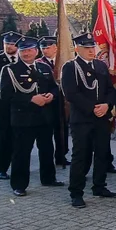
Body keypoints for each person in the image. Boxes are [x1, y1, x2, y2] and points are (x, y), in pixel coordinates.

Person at [0, 36, 64, 196]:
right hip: (23, 118)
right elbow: (6, 95)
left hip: (44, 117)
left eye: (29, 50)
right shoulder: (10, 70)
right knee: (21, 153)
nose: (26, 53)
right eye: (23, 51)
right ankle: (19, 184)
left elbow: (55, 87)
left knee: (47, 149)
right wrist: (30, 99)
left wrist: (52, 95)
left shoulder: (44, 67)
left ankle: (48, 178)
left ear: (36, 51)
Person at [63, 33, 116, 207]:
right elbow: (71, 93)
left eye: (92, 47)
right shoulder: (70, 67)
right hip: (82, 119)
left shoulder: (100, 66)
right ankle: (76, 192)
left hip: (101, 118)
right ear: (77, 48)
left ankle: (99, 185)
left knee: (102, 152)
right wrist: (92, 108)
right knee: (81, 155)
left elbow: (110, 90)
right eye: (86, 48)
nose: (91, 51)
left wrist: (107, 105)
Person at [0, 32, 21, 180]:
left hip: (21, 106)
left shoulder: (24, 58)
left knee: (19, 138)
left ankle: (17, 165)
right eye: (7, 44)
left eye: (12, 44)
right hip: (3, 106)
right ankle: (1, 169)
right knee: (2, 139)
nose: (9, 47)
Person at [39, 36, 71, 168]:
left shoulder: (64, 62)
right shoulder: (40, 64)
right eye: (43, 48)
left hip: (62, 103)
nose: (45, 50)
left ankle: (61, 155)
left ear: (56, 47)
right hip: (46, 104)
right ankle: (48, 159)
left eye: (48, 47)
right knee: (47, 133)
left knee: (62, 130)